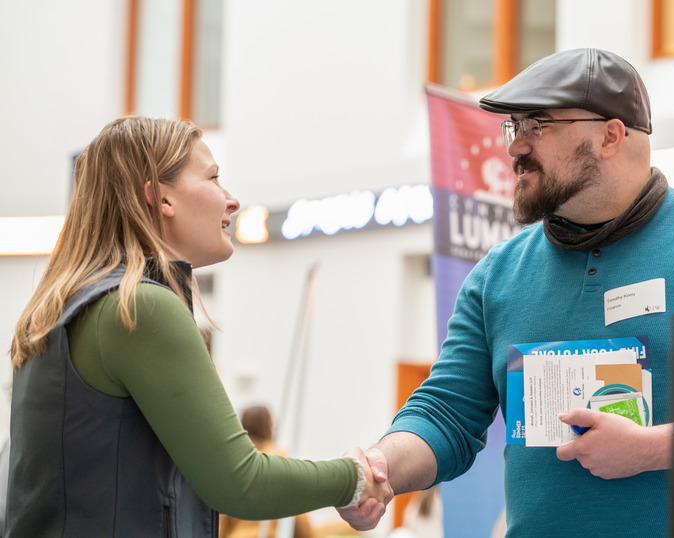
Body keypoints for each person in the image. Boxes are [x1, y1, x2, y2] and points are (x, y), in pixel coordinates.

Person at [337, 48, 674, 536]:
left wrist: (651, 449)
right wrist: (378, 467)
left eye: (538, 125)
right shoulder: (496, 277)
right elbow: (445, 414)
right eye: (514, 127)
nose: (515, 147)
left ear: (610, 135)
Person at [5, 116, 391, 537]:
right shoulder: (140, 307)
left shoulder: (61, 310)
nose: (232, 200)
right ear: (161, 198)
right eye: (214, 178)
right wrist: (352, 478)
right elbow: (242, 482)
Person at [219, 405, 313, 538]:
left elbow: (221, 516)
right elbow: (298, 513)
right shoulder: (280, 458)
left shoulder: (233, 462)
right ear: (269, 426)